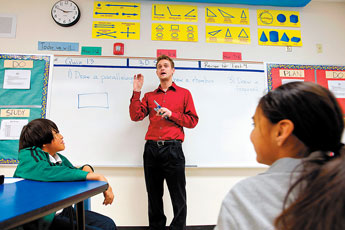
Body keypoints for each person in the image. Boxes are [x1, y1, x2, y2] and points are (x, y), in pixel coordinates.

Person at [215, 81, 345, 230]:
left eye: (255, 125)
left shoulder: (247, 196)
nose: (252, 134)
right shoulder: (336, 182)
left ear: (281, 132)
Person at [129, 55, 199, 230]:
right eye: (159, 66)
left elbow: (192, 121)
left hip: (173, 149)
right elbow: (135, 116)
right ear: (157, 72)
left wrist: (171, 114)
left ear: (172, 70)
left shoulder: (184, 94)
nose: (162, 68)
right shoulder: (149, 96)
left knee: (178, 196)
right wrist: (136, 91)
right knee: (153, 196)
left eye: (166, 65)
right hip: (151, 149)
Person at [13, 118, 116, 230]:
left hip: (63, 211)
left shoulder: (57, 158)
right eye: (56, 134)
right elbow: (45, 171)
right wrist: (98, 177)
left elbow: (71, 172)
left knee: (108, 224)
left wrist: (87, 169)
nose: (61, 136)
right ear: (43, 140)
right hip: (43, 218)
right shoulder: (30, 155)